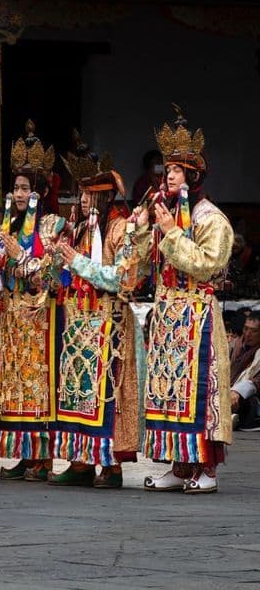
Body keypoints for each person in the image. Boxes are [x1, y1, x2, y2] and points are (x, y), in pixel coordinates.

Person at [127, 107, 233, 494]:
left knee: (201, 391)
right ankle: (178, 464)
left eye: (175, 170)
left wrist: (171, 234)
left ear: (192, 176)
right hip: (168, 315)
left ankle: (206, 468)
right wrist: (142, 231)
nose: (167, 175)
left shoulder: (211, 219)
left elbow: (207, 265)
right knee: (168, 391)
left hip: (197, 315)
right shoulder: (164, 213)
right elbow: (137, 266)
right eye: (166, 169)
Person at [50, 132, 144, 488]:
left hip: (112, 323)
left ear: (105, 195)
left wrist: (79, 263)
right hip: (80, 322)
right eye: (82, 192)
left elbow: (124, 279)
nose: (84, 199)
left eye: (90, 193)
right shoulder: (78, 226)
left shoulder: (125, 229)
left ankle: (112, 466)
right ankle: (80, 461)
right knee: (78, 387)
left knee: (110, 393)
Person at [0, 120, 64, 483]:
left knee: (38, 386)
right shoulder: (5, 227)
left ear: (40, 192)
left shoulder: (54, 226)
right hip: (12, 318)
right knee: (12, 386)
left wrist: (18, 258)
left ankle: (41, 457)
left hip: (41, 318)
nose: (19, 193)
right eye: (15, 187)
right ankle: (19, 453)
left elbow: (51, 276)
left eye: (26, 187)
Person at [229, 312, 260, 431]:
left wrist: (237, 391)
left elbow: (257, 382)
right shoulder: (234, 345)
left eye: (254, 331)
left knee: (247, 400)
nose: (248, 334)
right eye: (246, 329)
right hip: (226, 390)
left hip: (249, 397)